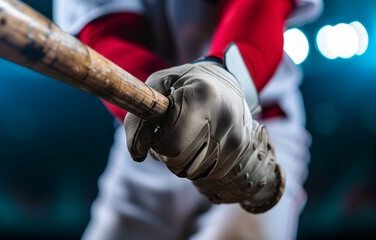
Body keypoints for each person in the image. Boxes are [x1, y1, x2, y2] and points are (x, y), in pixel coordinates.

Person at [53, 0, 322, 239]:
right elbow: (106, 33)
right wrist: (172, 108)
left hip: (253, 132)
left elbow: (261, 5)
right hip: (148, 150)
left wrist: (224, 78)